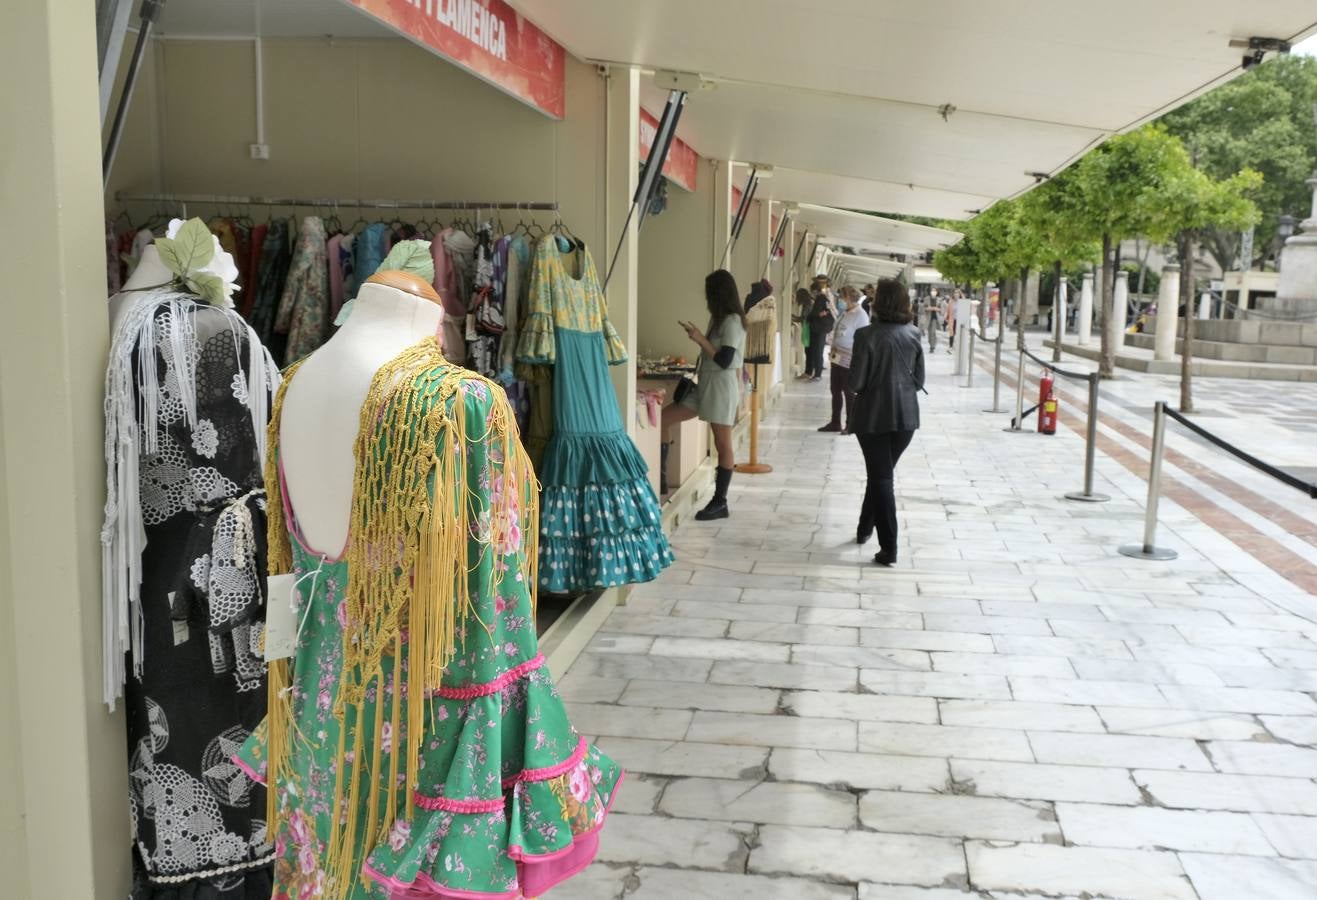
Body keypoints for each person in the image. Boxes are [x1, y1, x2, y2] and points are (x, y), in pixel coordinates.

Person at [850, 279, 924, 566]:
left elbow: (856, 382)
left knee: (881, 478)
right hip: (906, 418)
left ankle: (889, 547)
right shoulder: (915, 333)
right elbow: (919, 382)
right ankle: (864, 527)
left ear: (879, 302)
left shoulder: (866, 335)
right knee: (881, 474)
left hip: (873, 417)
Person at [663, 269, 747, 521]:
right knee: (664, 419)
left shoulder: (732, 321)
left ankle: (720, 501)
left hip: (720, 385)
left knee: (722, 443)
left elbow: (725, 359)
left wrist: (700, 339)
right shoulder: (718, 319)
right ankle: (661, 477)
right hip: (705, 384)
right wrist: (700, 336)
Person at [819, 286, 870, 433]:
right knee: (835, 390)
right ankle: (835, 422)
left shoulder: (861, 315)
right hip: (837, 357)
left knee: (849, 392)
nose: (840, 300)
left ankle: (851, 423)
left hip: (849, 359)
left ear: (848, 297)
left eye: (841, 297)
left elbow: (863, 338)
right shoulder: (845, 313)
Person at [804, 282, 836, 380]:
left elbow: (814, 313)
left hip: (818, 329)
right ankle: (815, 373)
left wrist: (808, 318)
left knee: (817, 351)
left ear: (815, 290)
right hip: (820, 329)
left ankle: (818, 374)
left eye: (812, 291)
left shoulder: (820, 299)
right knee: (816, 350)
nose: (811, 293)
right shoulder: (823, 299)